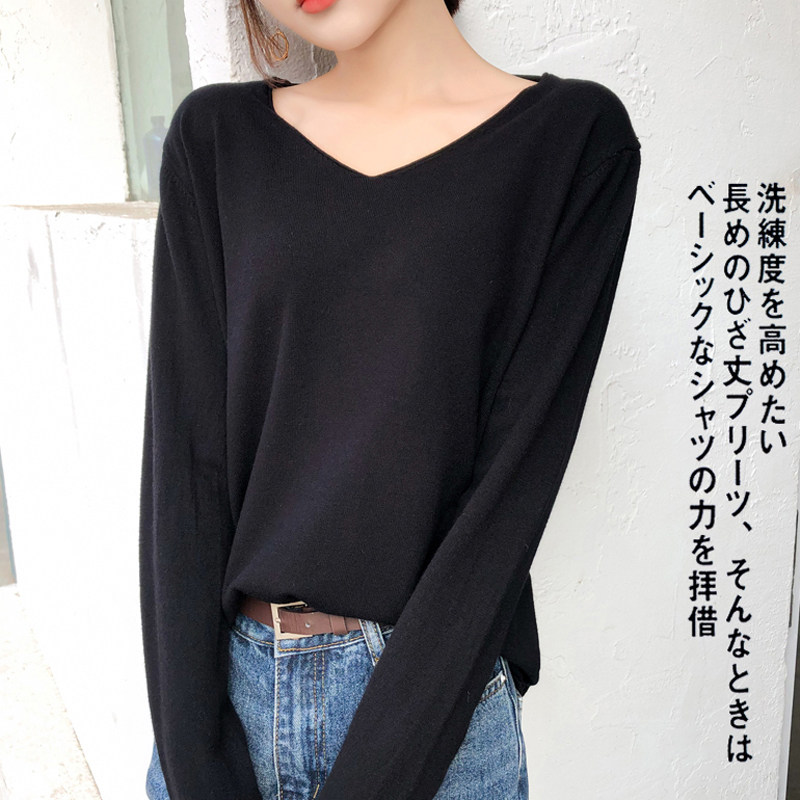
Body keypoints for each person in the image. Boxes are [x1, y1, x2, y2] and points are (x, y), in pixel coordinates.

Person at [139, 0, 642, 798]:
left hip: (434, 721)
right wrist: (195, 761)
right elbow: (184, 476)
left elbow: (509, 497)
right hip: (229, 703)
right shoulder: (216, 141)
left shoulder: (572, 141)